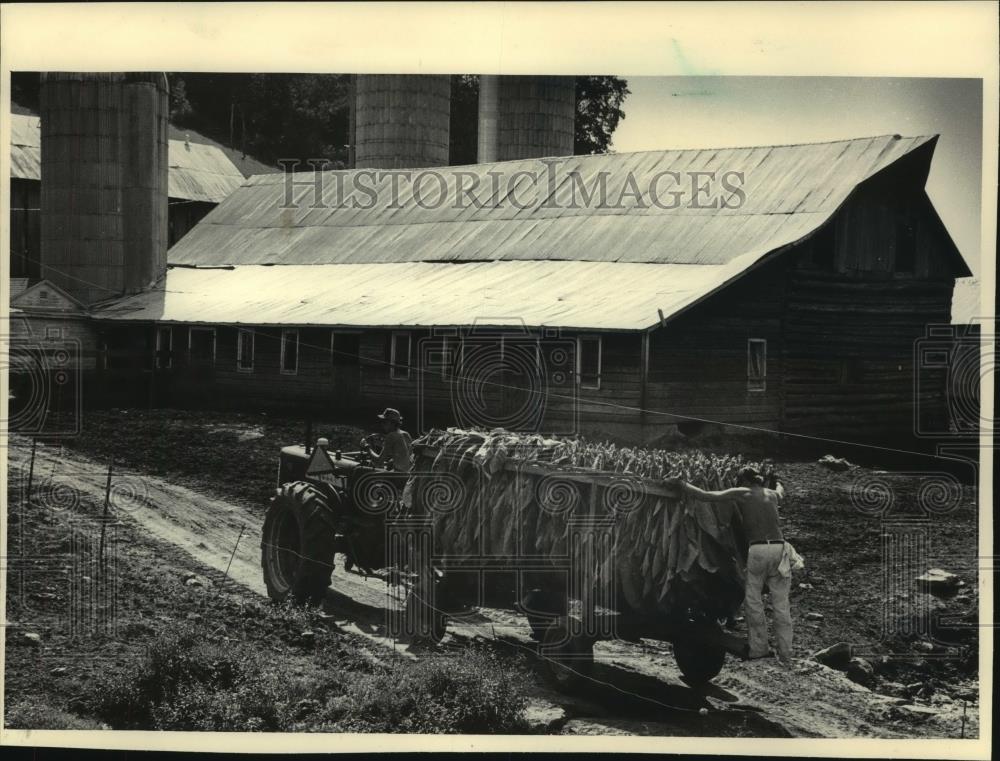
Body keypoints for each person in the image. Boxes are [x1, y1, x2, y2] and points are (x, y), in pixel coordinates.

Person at [664, 466, 792, 665]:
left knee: (753, 601)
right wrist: (777, 481)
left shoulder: (742, 492)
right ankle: (786, 652)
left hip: (759, 550)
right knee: (781, 604)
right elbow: (782, 490)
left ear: (745, 481)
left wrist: (681, 484)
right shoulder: (773, 494)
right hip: (781, 549)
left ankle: (759, 648)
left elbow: (707, 496)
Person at [362, 408, 414, 473]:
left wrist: (367, 448)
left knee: (359, 470)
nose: (382, 424)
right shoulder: (406, 434)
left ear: (392, 423)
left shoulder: (391, 436)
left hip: (398, 475)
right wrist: (392, 461)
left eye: (384, 422)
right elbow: (406, 457)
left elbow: (379, 461)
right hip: (409, 474)